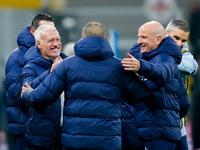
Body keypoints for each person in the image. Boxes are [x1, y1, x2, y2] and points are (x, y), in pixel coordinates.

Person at [21, 21, 151, 150]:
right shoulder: (120, 67)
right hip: (107, 142)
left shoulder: (67, 65)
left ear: (82, 39)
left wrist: (27, 93)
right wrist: (141, 70)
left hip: (74, 142)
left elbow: (42, 96)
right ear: (106, 39)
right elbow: (141, 95)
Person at [121, 21, 182, 150]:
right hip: (144, 132)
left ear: (158, 39)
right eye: (138, 36)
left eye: (143, 37)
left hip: (158, 134)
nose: (138, 41)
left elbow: (161, 73)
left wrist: (141, 66)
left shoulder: (166, 58)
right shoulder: (147, 56)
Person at [5, 13, 55, 150]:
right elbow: (16, 96)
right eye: (44, 30)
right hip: (25, 129)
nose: (49, 34)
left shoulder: (52, 56)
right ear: (33, 32)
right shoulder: (17, 57)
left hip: (46, 130)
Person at [21, 25, 67, 150]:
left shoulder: (68, 63)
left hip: (67, 134)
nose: (56, 44)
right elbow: (27, 91)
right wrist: (51, 73)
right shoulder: (30, 67)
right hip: (42, 137)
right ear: (39, 44)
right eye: (51, 40)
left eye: (58, 40)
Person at [165, 19, 198, 150]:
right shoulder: (152, 51)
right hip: (156, 124)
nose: (179, 43)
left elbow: (192, 66)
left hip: (178, 125)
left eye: (183, 40)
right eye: (176, 38)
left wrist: (163, 63)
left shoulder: (184, 55)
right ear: (166, 34)